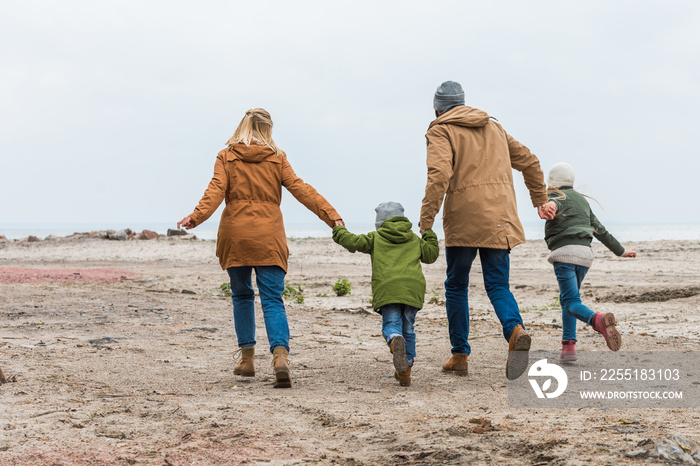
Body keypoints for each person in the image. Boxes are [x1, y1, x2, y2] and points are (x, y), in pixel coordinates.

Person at [177, 108, 344, 388]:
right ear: (268, 129)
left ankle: (247, 360)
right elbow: (302, 189)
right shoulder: (277, 158)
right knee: (272, 300)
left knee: (242, 297)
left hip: (236, 236)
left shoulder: (226, 156)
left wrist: (196, 216)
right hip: (269, 236)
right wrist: (332, 216)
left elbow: (215, 190)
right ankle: (280, 358)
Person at [419, 81, 556, 380]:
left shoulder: (440, 129)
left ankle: (460, 355)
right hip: (500, 218)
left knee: (456, 286)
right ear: (464, 103)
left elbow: (439, 175)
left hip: (464, 218)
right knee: (498, 285)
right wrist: (540, 200)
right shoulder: (494, 127)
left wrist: (425, 221)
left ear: (438, 108)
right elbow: (531, 162)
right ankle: (515, 329)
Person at [332, 202, 439, 386]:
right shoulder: (414, 239)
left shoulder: (376, 237)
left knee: (392, 325)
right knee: (409, 329)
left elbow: (352, 242)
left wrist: (339, 230)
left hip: (389, 290)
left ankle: (394, 340)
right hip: (412, 290)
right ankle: (406, 370)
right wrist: (427, 233)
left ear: (378, 223)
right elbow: (431, 255)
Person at [544, 162, 637, 361]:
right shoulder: (582, 201)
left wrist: (550, 205)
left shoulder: (554, 196)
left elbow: (555, 204)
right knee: (568, 300)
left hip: (564, 255)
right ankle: (568, 347)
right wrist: (620, 251)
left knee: (571, 301)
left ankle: (597, 319)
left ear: (551, 182)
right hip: (585, 256)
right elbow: (599, 229)